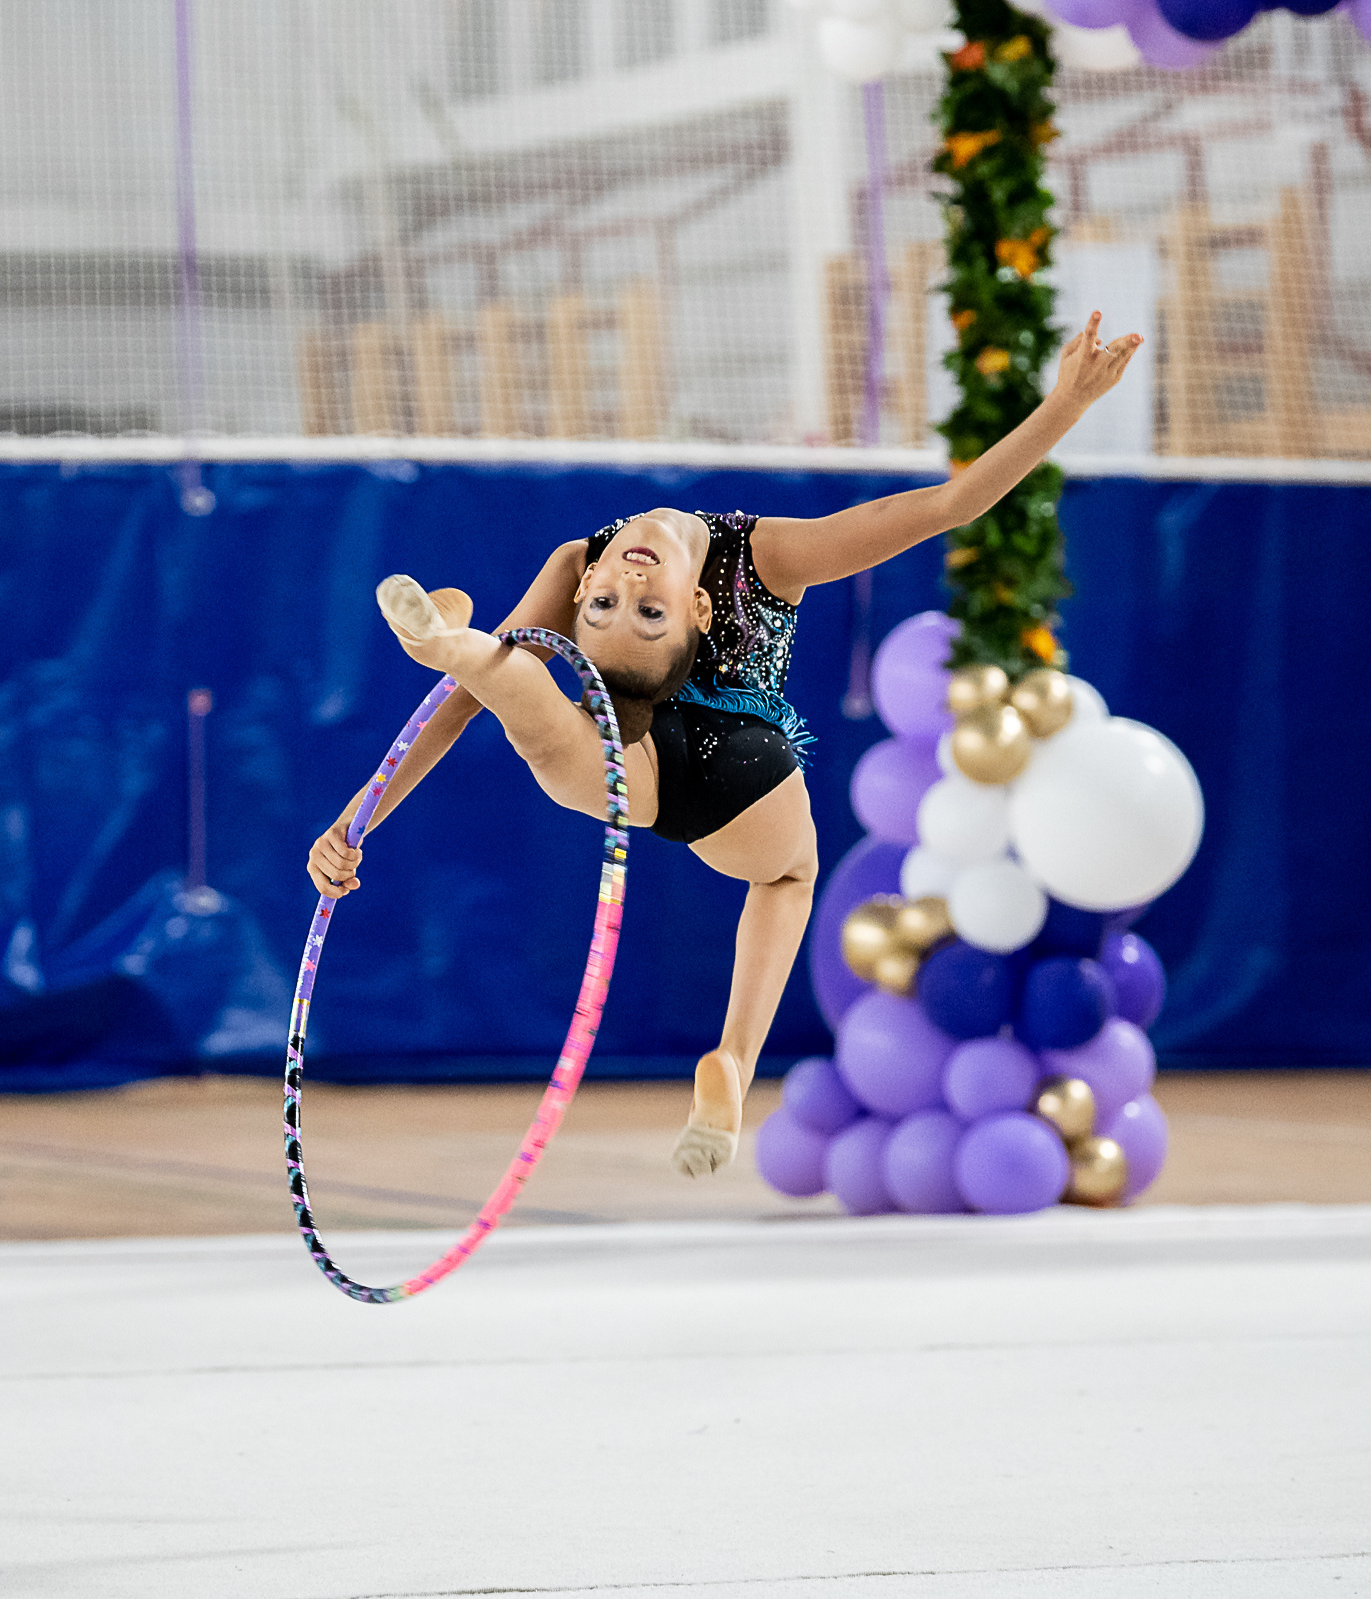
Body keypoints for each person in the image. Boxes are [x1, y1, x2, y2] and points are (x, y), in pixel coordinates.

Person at [308, 313, 1144, 1177]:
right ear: (596, 590)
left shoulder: (662, 556)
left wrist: (1069, 402)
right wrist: (356, 819)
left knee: (520, 691)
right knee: (769, 863)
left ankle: (455, 639)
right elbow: (944, 507)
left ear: (702, 613)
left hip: (680, 764)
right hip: (697, 766)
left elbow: (946, 504)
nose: (625, 585)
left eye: (633, 608)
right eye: (612, 605)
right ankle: (735, 1063)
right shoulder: (751, 554)